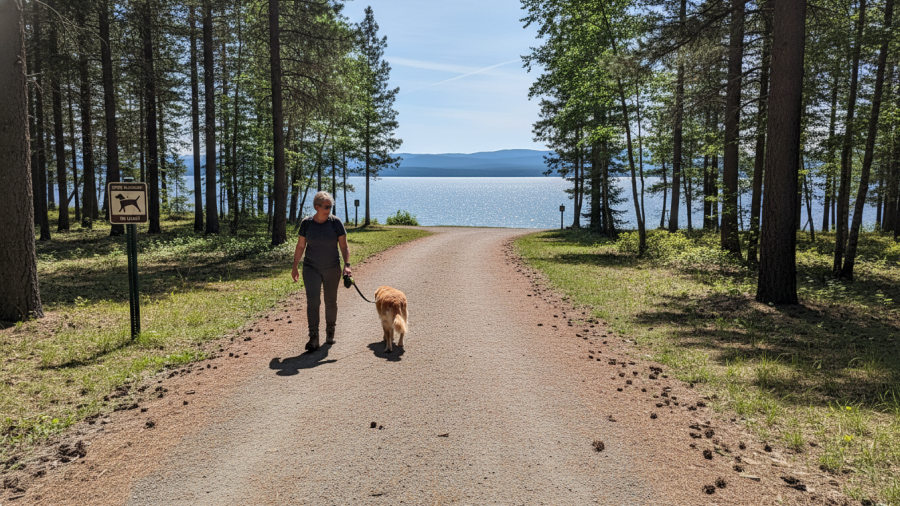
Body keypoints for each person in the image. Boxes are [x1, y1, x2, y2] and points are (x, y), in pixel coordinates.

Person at [291, 192, 352, 351]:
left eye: (330, 206)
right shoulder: (306, 223)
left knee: (330, 301)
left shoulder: (336, 223)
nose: (328, 210)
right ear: (316, 207)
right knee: (313, 302)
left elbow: (344, 246)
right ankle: (313, 337)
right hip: (311, 268)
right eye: (325, 207)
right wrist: (295, 266)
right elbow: (300, 246)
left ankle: (330, 331)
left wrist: (347, 265)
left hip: (332, 268)